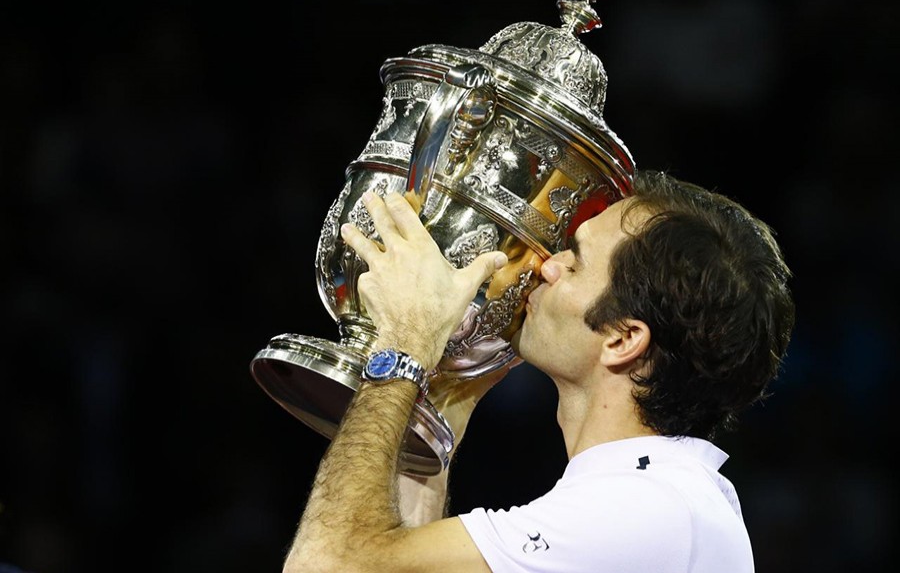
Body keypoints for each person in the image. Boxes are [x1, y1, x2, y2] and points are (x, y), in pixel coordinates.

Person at [281, 170, 795, 573]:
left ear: (622, 339)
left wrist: (402, 346)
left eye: (573, 263)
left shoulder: (649, 511)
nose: (545, 266)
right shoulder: (654, 499)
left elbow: (327, 564)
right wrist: (449, 389)